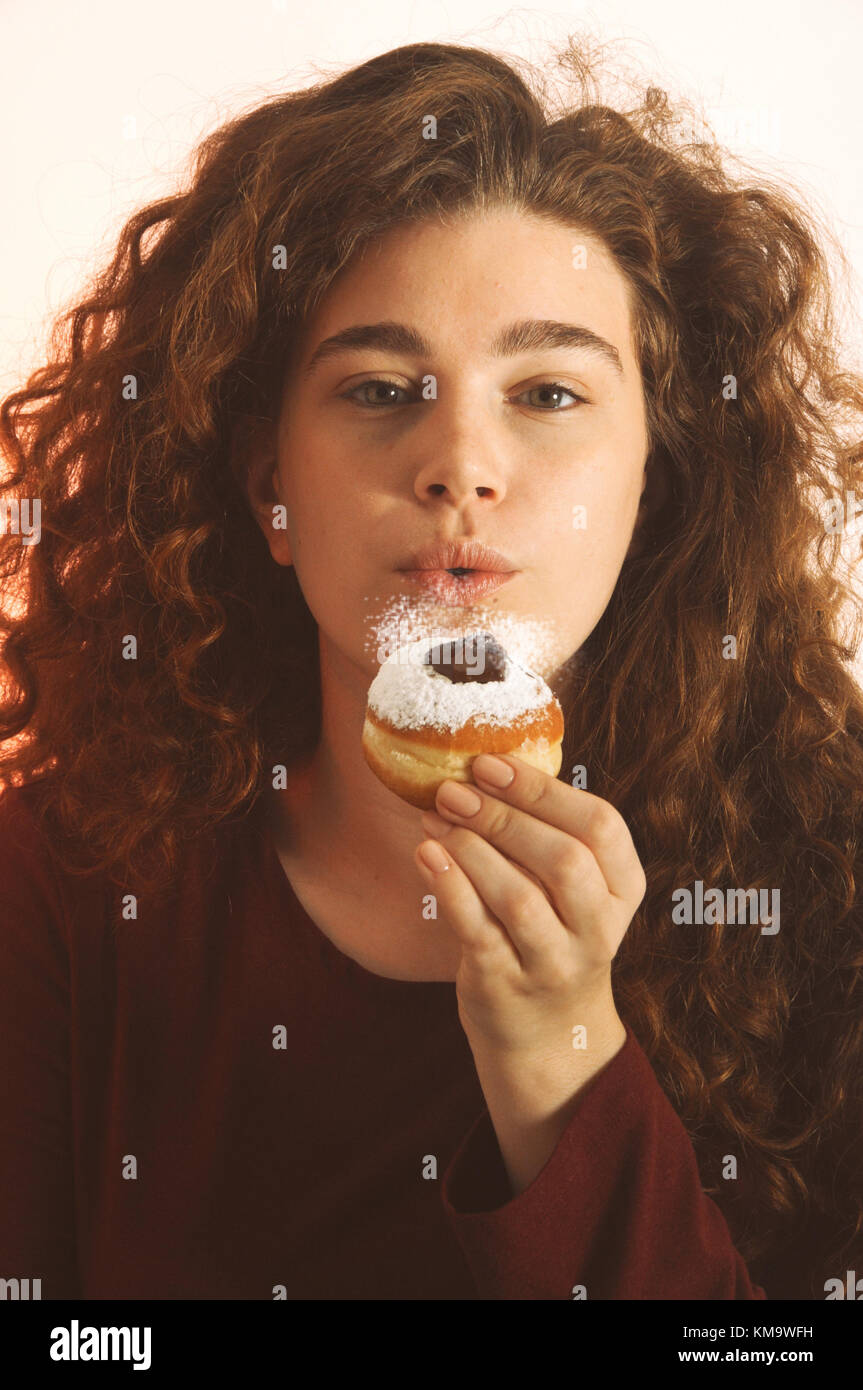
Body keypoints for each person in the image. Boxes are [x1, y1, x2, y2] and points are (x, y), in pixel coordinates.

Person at [1, 38, 862, 1301]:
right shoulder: (62, 888)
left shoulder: (830, 886)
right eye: (380, 387)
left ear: (653, 482)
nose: (459, 461)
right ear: (268, 487)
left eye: (550, 393)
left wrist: (562, 1066)